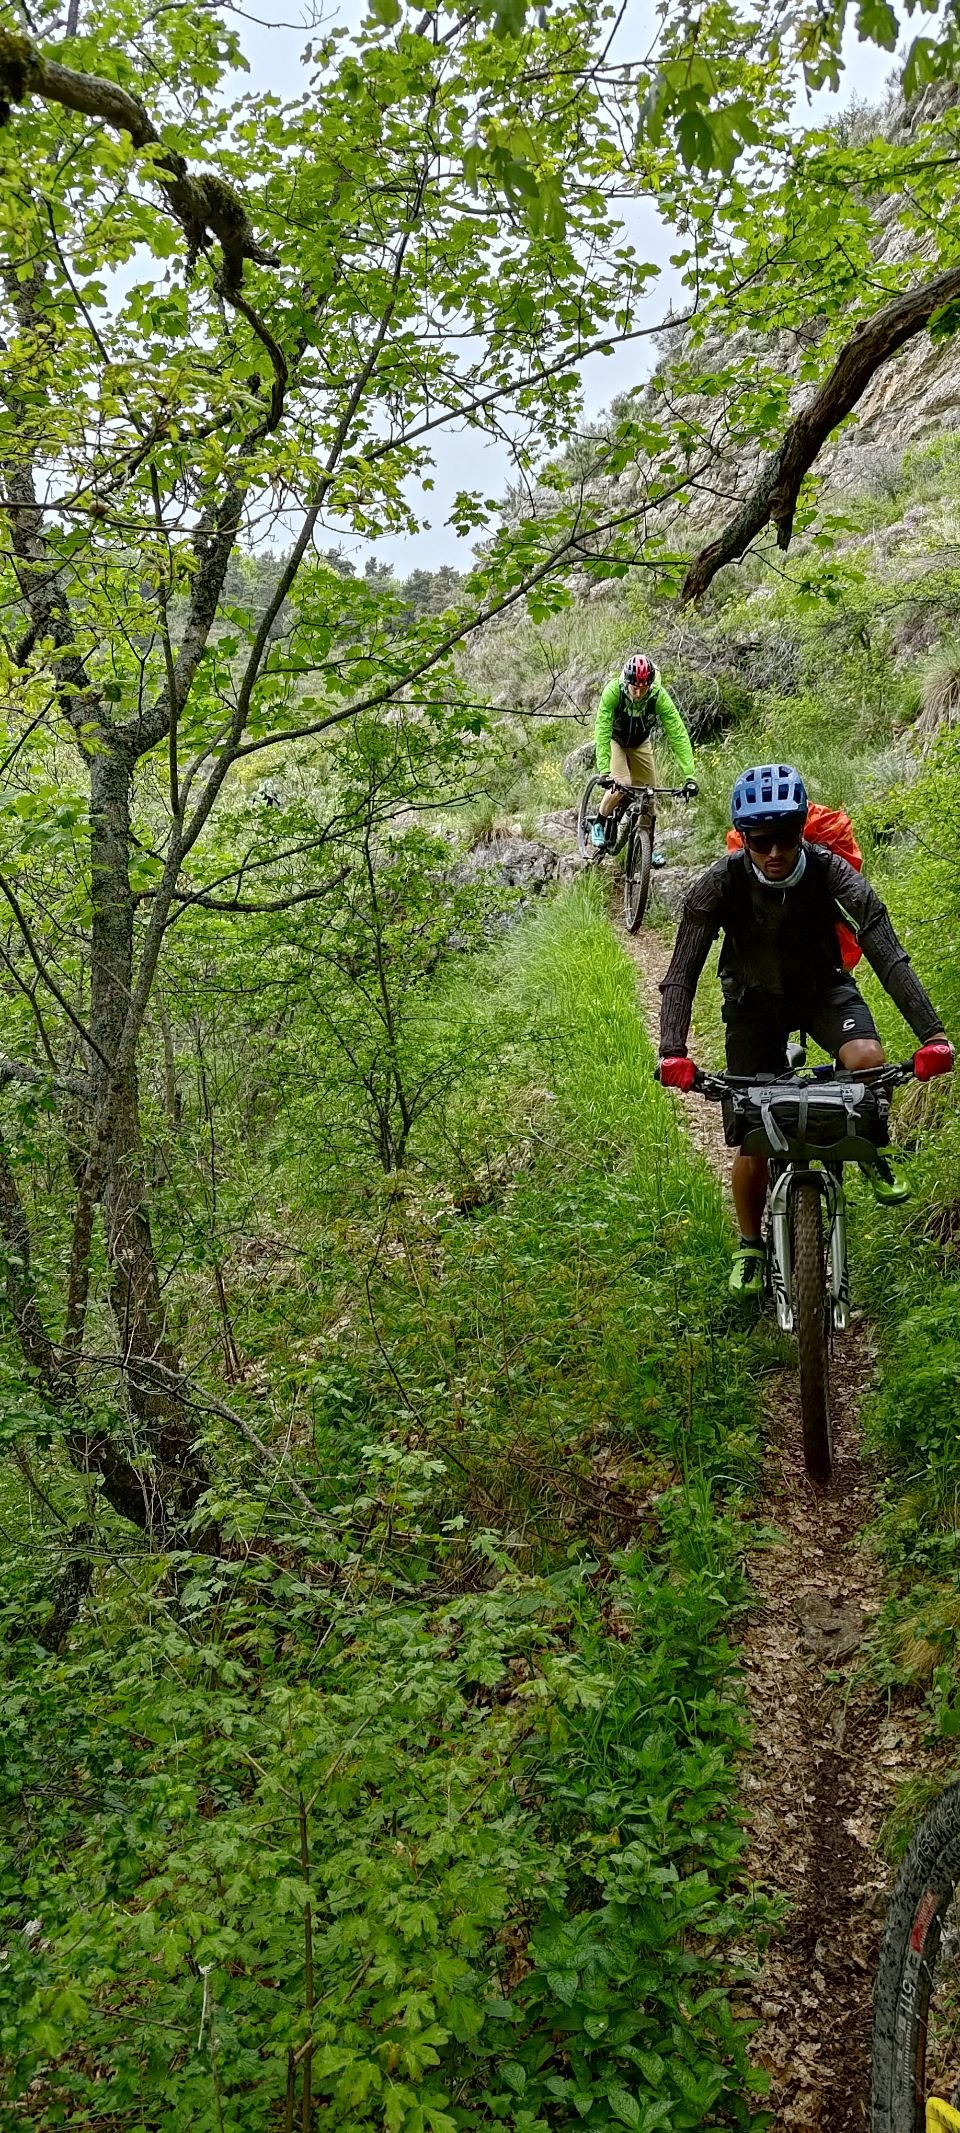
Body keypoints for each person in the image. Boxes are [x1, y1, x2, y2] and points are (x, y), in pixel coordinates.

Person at [656, 763, 954, 1296]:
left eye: (786, 838)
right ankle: (750, 1244)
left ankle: (872, 1148)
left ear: (801, 831)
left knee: (866, 1061)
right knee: (752, 1135)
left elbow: (888, 954)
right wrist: (672, 1049)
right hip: (752, 1005)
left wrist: (933, 1035)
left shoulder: (831, 872)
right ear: (743, 838)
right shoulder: (718, 883)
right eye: (760, 840)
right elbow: (681, 974)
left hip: (823, 991)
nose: (774, 852)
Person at [591, 653, 697, 852]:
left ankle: (647, 846)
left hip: (640, 742)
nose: (639, 693)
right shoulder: (614, 691)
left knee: (648, 795)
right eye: (635, 688)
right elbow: (602, 730)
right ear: (627, 682)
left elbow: (677, 732)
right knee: (622, 784)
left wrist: (689, 775)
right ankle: (599, 822)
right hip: (616, 740)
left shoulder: (658, 696)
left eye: (643, 688)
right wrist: (605, 771)